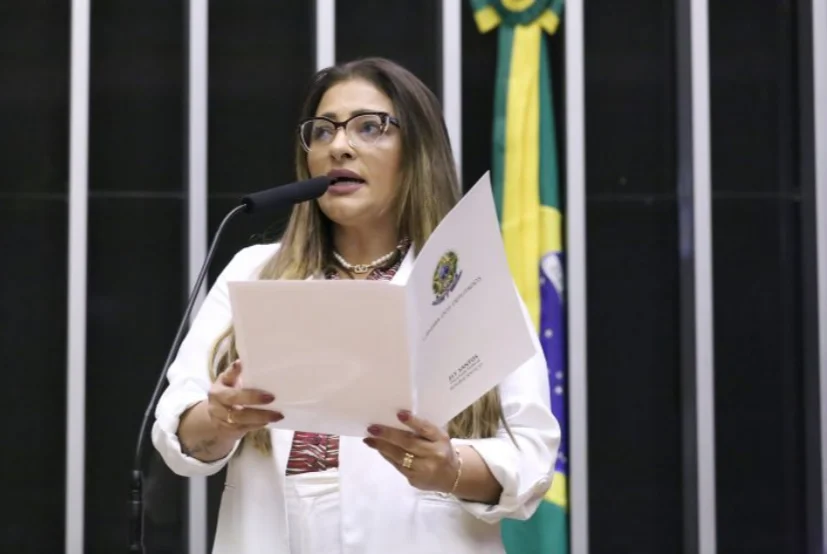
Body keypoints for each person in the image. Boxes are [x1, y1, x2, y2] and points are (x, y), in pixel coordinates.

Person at [151, 57, 561, 554]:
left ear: (417, 151)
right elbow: (180, 439)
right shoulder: (253, 271)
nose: (339, 146)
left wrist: (447, 467)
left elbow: (532, 457)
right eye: (322, 132)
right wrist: (220, 418)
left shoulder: (468, 282)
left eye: (370, 127)